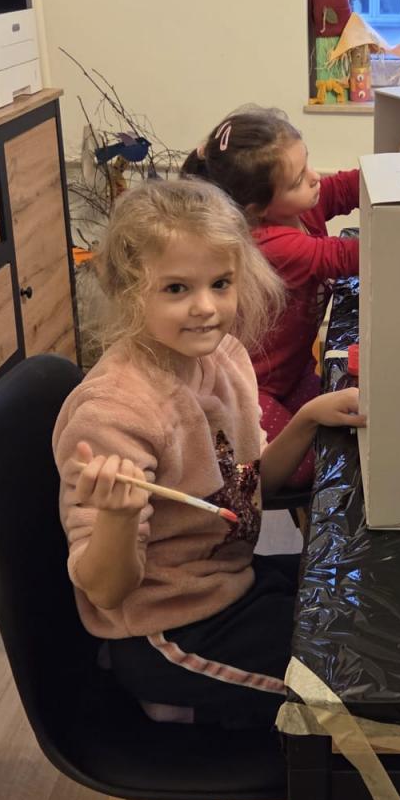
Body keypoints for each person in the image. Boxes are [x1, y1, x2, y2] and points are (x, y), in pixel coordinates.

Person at [53, 178, 363, 726]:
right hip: (170, 629)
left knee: (363, 603)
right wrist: (119, 517)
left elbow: (247, 485)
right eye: (176, 288)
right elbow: (105, 590)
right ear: (128, 291)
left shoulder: (225, 359)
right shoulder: (113, 414)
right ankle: (183, 708)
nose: (205, 307)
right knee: (361, 681)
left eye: (221, 283)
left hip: (231, 580)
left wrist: (309, 420)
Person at [181, 109, 359, 486]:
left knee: (346, 431)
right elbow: (348, 257)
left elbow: (347, 187)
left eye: (307, 162)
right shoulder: (269, 244)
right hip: (252, 389)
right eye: (298, 180)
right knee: (314, 467)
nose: (315, 177)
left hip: (292, 374)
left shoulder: (300, 207)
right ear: (256, 209)